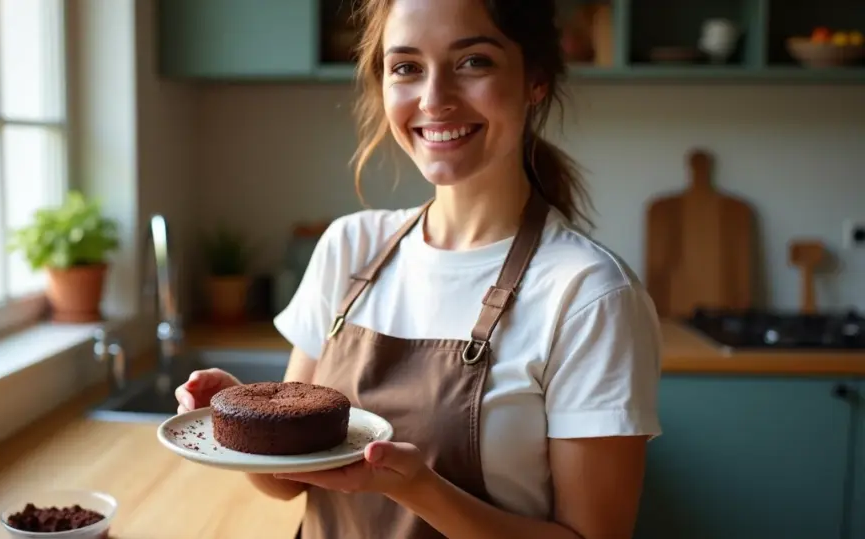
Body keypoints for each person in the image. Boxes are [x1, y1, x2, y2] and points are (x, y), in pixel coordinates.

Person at [175, 0, 663, 537]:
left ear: (535, 81)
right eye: (406, 67)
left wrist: (415, 488)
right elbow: (290, 483)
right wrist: (238, 430)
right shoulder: (350, 246)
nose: (435, 100)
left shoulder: (588, 294)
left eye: (473, 61)